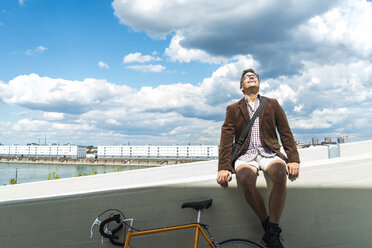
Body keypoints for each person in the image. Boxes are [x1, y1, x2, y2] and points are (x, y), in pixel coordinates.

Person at [216, 69, 300, 248]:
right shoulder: (232, 109)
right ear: (241, 87)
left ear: (259, 84)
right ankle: (267, 225)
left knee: (279, 173)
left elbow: (285, 131)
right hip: (245, 155)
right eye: (246, 77)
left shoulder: (272, 104)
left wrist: (293, 159)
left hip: (268, 152)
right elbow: (226, 138)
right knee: (245, 178)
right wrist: (223, 167)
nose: (251, 77)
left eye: (254, 76)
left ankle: (273, 230)